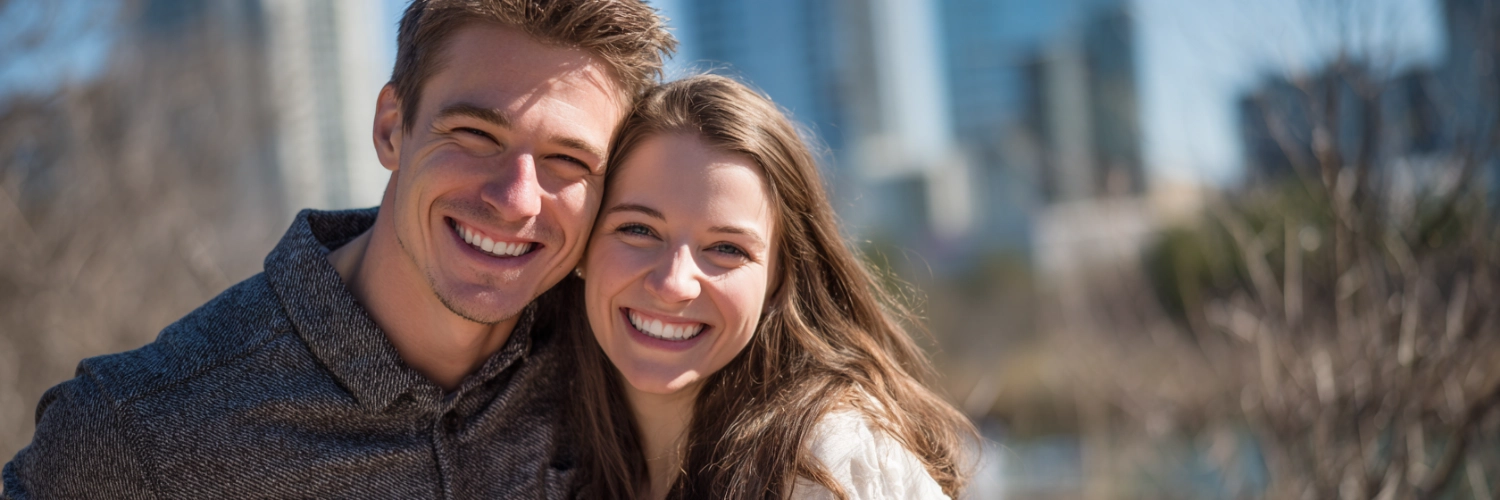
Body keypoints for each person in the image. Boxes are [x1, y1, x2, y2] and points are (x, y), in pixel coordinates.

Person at [2, 1, 673, 498]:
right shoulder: (144, 423)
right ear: (391, 128)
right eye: (475, 134)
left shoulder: (634, 363)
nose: (517, 198)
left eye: (567, 160)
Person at [554, 75, 977, 499]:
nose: (673, 283)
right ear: (584, 246)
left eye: (726, 248)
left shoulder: (825, 464)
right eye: (638, 229)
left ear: (780, 279)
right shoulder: (549, 449)